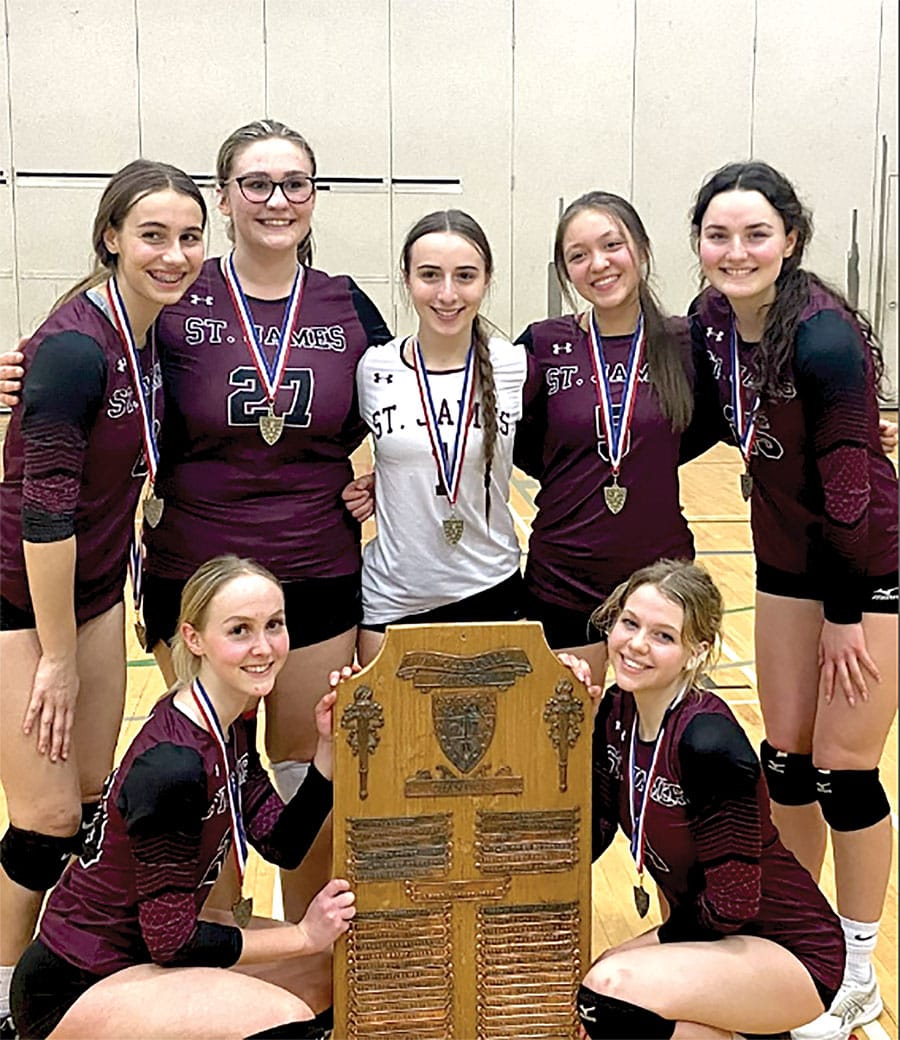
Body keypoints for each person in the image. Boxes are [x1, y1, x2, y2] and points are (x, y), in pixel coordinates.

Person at [135, 119, 392, 921]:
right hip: (197, 578)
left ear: (315, 197)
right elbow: (83, 364)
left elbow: (413, 402)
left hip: (315, 574)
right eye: (256, 184)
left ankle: (308, 965)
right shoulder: (179, 295)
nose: (276, 201)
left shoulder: (347, 304)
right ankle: (212, 948)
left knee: (304, 771)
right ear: (224, 197)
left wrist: (388, 475)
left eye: (295, 184)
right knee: (206, 779)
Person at [689, 160, 898, 1038]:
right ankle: (797, 942)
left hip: (866, 575)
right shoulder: (711, 324)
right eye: (718, 235)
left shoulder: (823, 340)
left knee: (844, 771)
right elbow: (691, 418)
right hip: (782, 565)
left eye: (756, 234)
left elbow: (851, 494)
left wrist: (846, 616)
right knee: (785, 759)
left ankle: (857, 973)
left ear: (792, 240)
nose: (735, 252)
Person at [0, 160, 207, 1036]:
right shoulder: (80, 345)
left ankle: (68, 968)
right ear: (110, 237)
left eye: (189, 236)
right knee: (45, 816)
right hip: (22, 599)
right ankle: (6, 987)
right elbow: (46, 513)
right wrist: (52, 656)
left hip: (92, 597)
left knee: (90, 797)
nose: (173, 254)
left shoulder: (149, 333)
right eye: (152, 235)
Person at [9, 554, 355, 1040]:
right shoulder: (173, 767)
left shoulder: (230, 722)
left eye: (274, 625)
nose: (264, 647)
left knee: (332, 974)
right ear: (194, 639)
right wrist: (299, 935)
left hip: (144, 958)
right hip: (77, 984)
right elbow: (172, 939)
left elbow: (283, 843)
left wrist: (326, 751)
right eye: (239, 630)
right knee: (286, 1022)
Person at [576, 559, 844, 1039]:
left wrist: (648, 945)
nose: (636, 644)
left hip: (788, 949)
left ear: (695, 652)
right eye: (629, 623)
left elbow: (735, 901)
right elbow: (589, 838)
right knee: (598, 998)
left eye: (663, 636)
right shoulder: (616, 713)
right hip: (723, 937)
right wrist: (553, 698)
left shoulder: (709, 742)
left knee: (609, 994)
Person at [511, 192, 708, 676]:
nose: (597, 264)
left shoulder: (689, 344)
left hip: (661, 585)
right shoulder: (543, 343)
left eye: (611, 245)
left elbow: (743, 414)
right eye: (578, 255)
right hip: (561, 580)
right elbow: (502, 433)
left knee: (654, 739)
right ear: (566, 270)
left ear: (640, 249)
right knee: (568, 741)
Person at [354, 209, 531, 665]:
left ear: (487, 280)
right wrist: (365, 485)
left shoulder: (515, 365)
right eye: (430, 275)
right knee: (395, 739)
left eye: (465, 276)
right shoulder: (374, 368)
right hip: (393, 598)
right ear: (407, 279)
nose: (447, 294)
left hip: (491, 588)